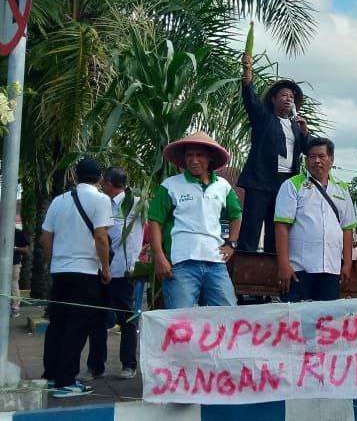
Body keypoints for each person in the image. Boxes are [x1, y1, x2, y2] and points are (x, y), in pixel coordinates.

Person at [41, 158, 112, 398]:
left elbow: (45, 238)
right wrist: (105, 268)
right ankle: (66, 381)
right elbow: (101, 238)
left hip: (60, 271)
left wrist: (55, 262)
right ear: (100, 178)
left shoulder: (59, 201)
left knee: (57, 324)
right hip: (86, 272)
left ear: (75, 175)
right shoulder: (101, 200)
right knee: (78, 326)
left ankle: (51, 376)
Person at [149, 132, 243, 308]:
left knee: (227, 314)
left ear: (210, 158)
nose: (194, 160)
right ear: (184, 159)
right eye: (189, 155)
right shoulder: (170, 185)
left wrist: (231, 244)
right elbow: (155, 221)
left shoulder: (223, 186)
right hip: (181, 263)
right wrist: (160, 256)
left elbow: (236, 215)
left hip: (215, 262)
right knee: (180, 320)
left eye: (199, 155)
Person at [236, 53, 309, 253]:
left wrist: (304, 132)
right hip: (261, 179)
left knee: (276, 226)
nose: (289, 99)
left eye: (292, 97)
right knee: (252, 226)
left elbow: (309, 149)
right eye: (284, 95)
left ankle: (271, 267)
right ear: (274, 99)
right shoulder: (264, 118)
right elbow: (249, 98)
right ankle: (246, 268)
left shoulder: (296, 126)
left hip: (285, 182)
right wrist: (247, 71)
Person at [274, 137, 357, 302]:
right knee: (296, 322)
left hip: (331, 269)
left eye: (322, 156)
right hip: (299, 269)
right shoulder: (292, 185)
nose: (317, 161)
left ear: (331, 159)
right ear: (306, 160)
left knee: (326, 323)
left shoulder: (342, 188)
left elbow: (348, 228)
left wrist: (347, 263)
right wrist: (284, 264)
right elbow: (281, 226)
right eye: (312, 157)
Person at [83, 167, 143, 381]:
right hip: (99, 270)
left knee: (127, 320)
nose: (101, 185)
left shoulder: (138, 204)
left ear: (109, 182)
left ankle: (128, 364)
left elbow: (155, 224)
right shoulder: (100, 203)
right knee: (97, 320)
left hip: (124, 271)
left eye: (104, 182)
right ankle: (95, 367)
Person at [0, 227, 30, 317]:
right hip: (1, 262)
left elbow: (26, 249)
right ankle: (2, 308)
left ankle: (15, 307)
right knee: (2, 284)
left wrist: (15, 248)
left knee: (13, 284)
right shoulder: (0, 232)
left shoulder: (18, 233)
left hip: (14, 262)